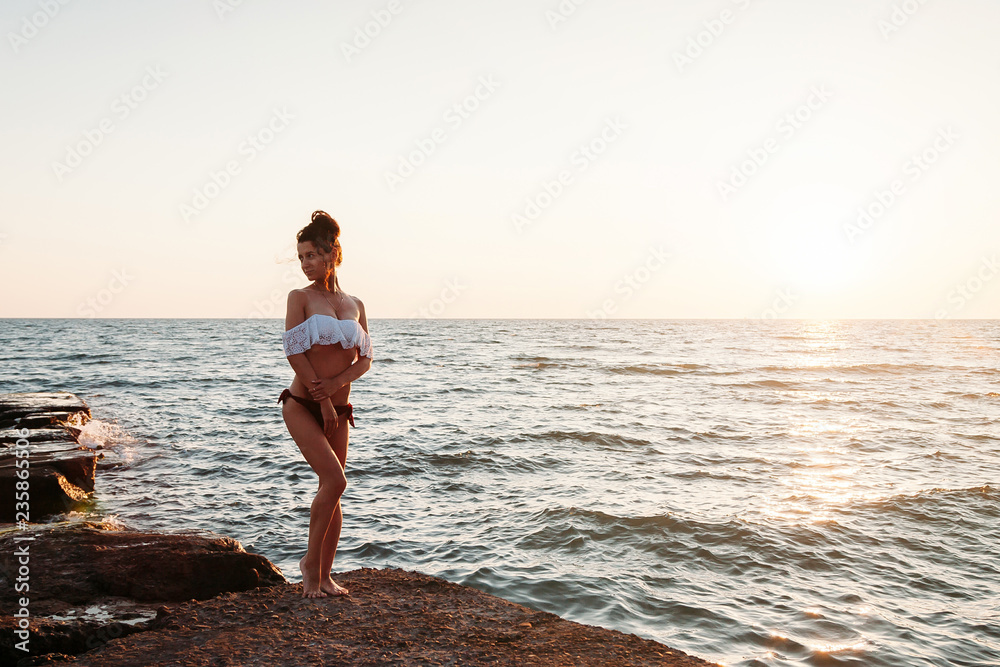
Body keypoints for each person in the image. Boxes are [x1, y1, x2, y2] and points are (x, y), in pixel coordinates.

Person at [277, 210, 373, 598]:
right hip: (301, 404)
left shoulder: (355, 303)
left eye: (312, 256)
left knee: (332, 490)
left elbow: (364, 359)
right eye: (301, 257)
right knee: (335, 481)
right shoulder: (299, 298)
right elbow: (293, 352)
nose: (305, 264)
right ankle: (309, 569)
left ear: (332, 253)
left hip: (340, 408)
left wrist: (337, 387)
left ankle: (326, 574)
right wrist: (324, 397)